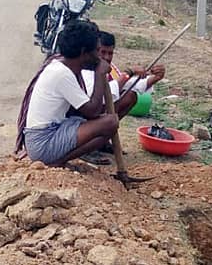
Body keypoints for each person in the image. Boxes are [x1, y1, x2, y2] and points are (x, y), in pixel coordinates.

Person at [15, 20, 118, 166]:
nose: (99, 57)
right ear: (83, 52)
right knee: (110, 122)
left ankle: (56, 159)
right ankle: (56, 161)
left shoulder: (61, 66)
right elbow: (93, 111)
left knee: (101, 120)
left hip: (46, 134)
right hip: (42, 142)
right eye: (96, 51)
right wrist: (100, 74)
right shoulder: (62, 74)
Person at [77, 31, 166, 164]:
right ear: (95, 50)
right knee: (101, 107)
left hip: (97, 113)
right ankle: (85, 147)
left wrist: (155, 78)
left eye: (110, 53)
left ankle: (100, 141)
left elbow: (130, 85)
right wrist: (128, 73)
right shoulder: (86, 67)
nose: (107, 57)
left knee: (131, 97)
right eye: (103, 52)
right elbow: (98, 98)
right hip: (80, 119)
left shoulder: (109, 67)